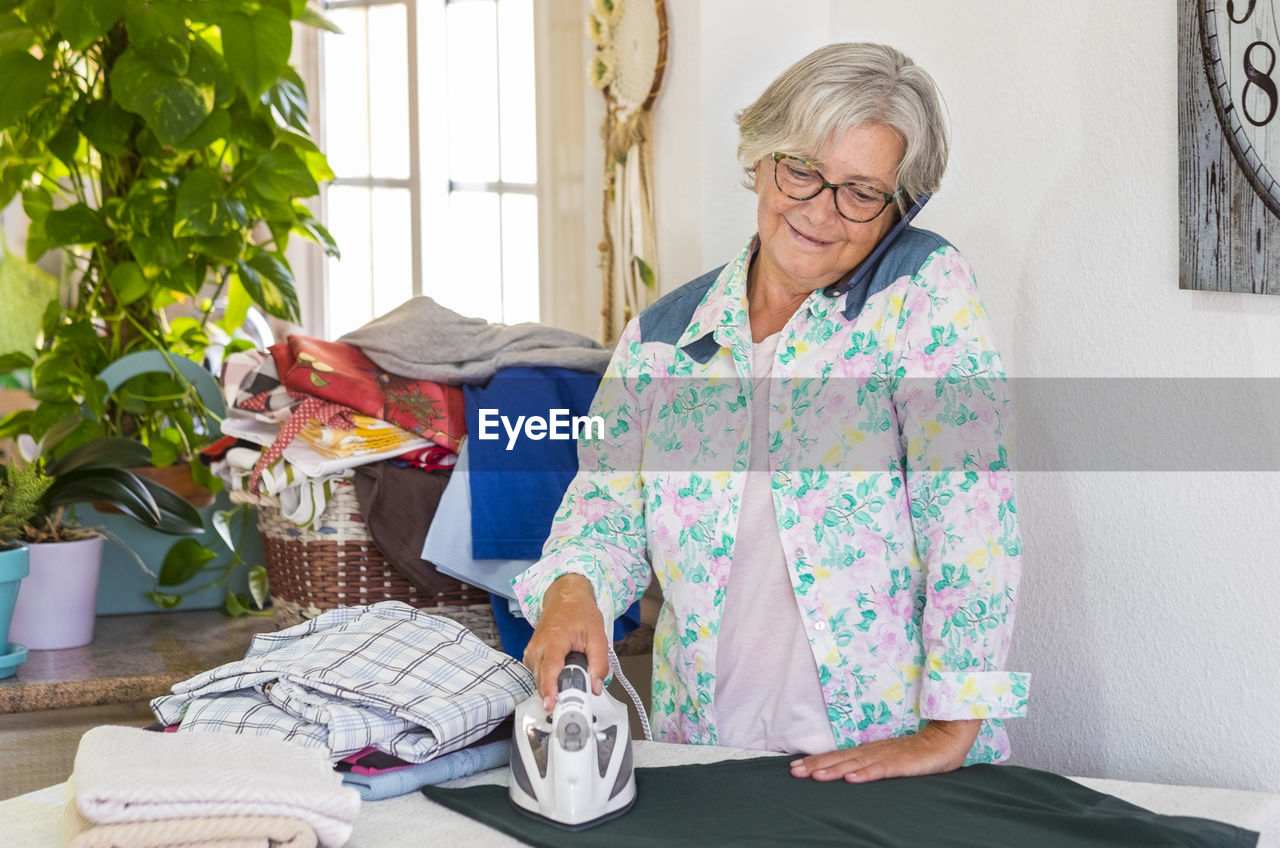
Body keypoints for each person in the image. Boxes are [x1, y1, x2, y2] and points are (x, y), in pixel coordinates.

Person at [514, 42, 1028, 784]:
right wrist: (570, 589)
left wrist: (951, 730)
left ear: (897, 207)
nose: (821, 211)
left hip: (882, 760)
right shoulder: (663, 340)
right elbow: (604, 512)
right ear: (760, 159)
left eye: (860, 191)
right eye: (803, 171)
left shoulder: (921, 293)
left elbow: (976, 518)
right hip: (706, 756)